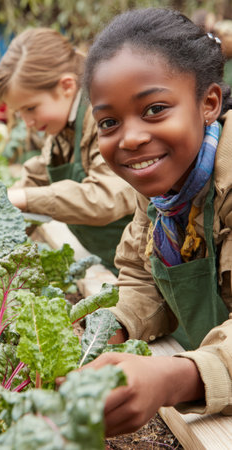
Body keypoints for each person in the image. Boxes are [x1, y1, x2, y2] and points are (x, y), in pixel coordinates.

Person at [80, 7, 232, 437]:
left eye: (155, 109)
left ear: (209, 103)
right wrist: (105, 332)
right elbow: (141, 278)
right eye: (109, 122)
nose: (129, 138)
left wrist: (172, 378)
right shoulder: (161, 194)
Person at [0, 27, 136, 275]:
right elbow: (39, 173)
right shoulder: (62, 127)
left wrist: (24, 198)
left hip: (148, 266)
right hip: (117, 264)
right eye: (19, 113)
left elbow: (107, 197)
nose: (26, 122)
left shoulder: (106, 117)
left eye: (30, 108)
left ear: (66, 86)